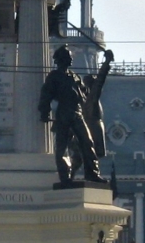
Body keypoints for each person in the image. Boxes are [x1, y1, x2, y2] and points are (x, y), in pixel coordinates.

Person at [39, 45, 105, 184]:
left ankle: (92, 174)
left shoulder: (74, 76)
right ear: (61, 59)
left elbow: (86, 93)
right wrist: (44, 111)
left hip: (77, 113)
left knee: (87, 142)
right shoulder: (54, 77)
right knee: (62, 146)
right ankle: (65, 176)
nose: (71, 58)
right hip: (64, 113)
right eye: (69, 56)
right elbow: (46, 95)